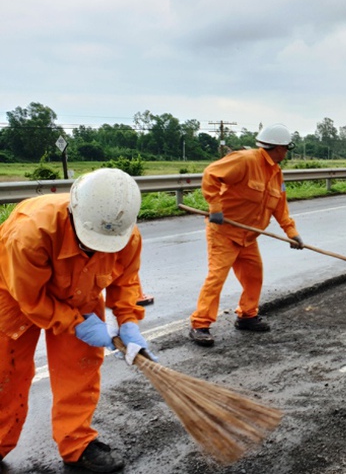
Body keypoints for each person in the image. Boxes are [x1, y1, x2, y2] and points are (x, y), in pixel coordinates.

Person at [0, 168, 154, 473]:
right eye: (90, 242)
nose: (97, 250)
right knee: (7, 373)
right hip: (14, 295)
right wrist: (78, 324)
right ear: (74, 214)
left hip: (80, 296)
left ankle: (77, 442)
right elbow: (30, 298)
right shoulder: (30, 233)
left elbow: (126, 282)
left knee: (80, 369)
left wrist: (128, 320)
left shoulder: (123, 235)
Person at [189, 123, 304, 347]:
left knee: (253, 275)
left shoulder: (275, 172)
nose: (287, 152)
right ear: (278, 147)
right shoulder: (245, 160)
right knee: (216, 278)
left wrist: (292, 232)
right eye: (286, 148)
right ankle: (200, 324)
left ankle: (247, 316)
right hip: (224, 232)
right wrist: (215, 207)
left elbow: (279, 206)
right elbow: (211, 174)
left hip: (248, 236)